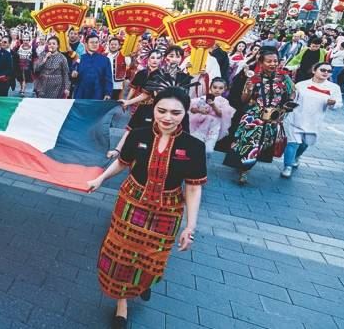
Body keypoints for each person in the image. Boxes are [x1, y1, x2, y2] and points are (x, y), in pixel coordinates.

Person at [88, 86, 206, 329]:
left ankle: (142, 283)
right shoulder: (139, 135)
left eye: (176, 112)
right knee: (122, 254)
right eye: (162, 110)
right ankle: (122, 302)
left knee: (152, 256)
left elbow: (193, 188)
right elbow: (122, 163)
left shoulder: (194, 147)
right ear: (154, 108)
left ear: (186, 113)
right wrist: (100, 179)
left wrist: (190, 225)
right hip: (131, 202)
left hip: (168, 209)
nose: (167, 118)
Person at [224, 48, 295, 185]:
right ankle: (244, 171)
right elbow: (244, 99)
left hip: (272, 118)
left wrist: (284, 109)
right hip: (253, 117)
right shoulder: (253, 77)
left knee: (262, 144)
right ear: (261, 62)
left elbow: (292, 93)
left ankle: (244, 165)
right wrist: (249, 90)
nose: (273, 64)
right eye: (269, 61)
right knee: (249, 143)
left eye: (275, 61)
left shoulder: (284, 77)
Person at [281, 62, 343, 178]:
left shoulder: (334, 88)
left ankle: (296, 157)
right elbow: (292, 99)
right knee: (293, 143)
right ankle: (287, 166)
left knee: (304, 144)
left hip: (314, 121)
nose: (326, 73)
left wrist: (333, 103)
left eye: (329, 71)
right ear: (314, 70)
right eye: (323, 70)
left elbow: (338, 104)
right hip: (296, 118)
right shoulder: (301, 85)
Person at [189, 77, 235, 155]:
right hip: (200, 125)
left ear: (224, 89)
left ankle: (204, 163)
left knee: (208, 150)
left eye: (220, 88)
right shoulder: (203, 98)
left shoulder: (224, 101)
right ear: (210, 87)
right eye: (215, 87)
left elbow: (222, 114)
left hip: (214, 127)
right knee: (196, 145)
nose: (217, 90)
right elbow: (192, 109)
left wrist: (213, 105)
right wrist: (199, 110)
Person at [72, 33, 113, 100]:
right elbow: (73, 73)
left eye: (96, 42)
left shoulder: (105, 60)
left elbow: (108, 79)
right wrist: (73, 74)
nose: (95, 44)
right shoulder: (80, 58)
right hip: (81, 93)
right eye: (92, 42)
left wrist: (108, 93)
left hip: (98, 93)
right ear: (86, 44)